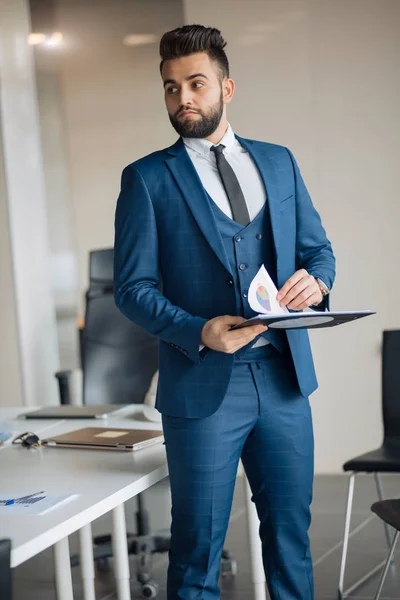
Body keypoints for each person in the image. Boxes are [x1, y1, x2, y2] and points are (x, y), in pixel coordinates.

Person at [114, 24, 335, 600]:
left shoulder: (279, 162)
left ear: (226, 88)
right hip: (202, 385)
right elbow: (132, 287)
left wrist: (318, 282)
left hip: (284, 379)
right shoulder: (146, 178)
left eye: (195, 83)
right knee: (197, 545)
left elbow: (318, 251)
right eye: (169, 87)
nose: (182, 98)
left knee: (291, 535)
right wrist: (198, 331)